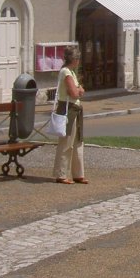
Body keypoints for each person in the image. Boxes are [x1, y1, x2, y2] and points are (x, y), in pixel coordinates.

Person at [53, 46, 87, 184]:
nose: (79, 61)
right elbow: (74, 93)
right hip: (68, 109)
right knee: (66, 142)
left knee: (78, 142)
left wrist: (79, 90)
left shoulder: (71, 72)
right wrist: (78, 90)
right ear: (74, 59)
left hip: (76, 109)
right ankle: (61, 174)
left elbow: (80, 90)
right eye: (77, 58)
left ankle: (78, 173)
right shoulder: (66, 72)